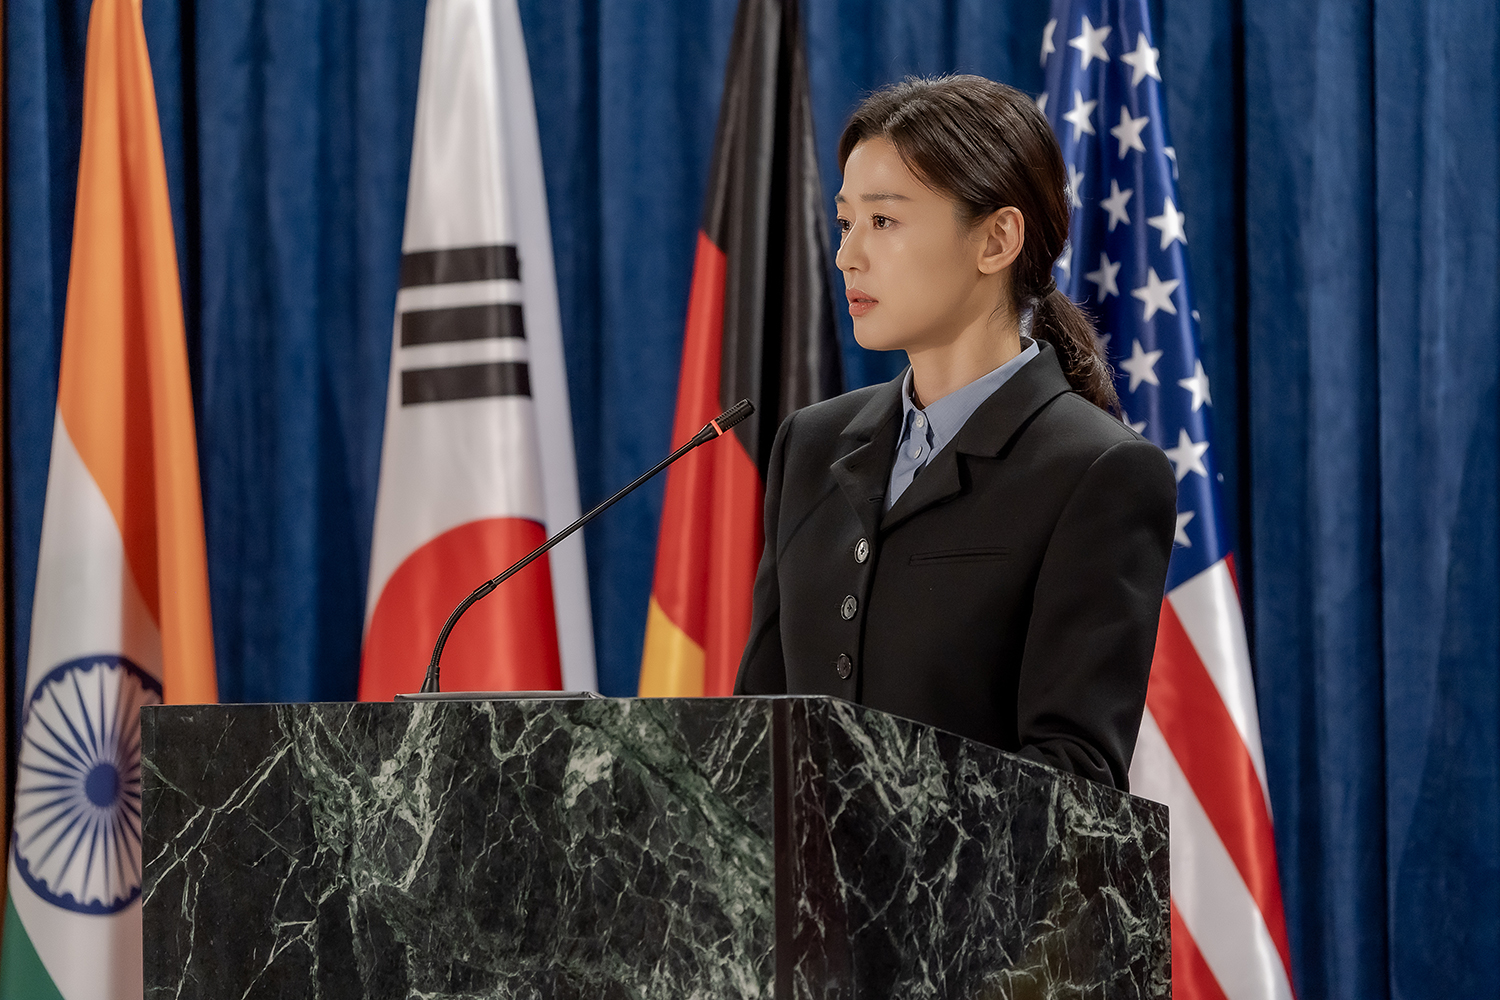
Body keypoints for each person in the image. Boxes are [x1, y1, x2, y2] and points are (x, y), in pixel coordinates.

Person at [733, 75, 1177, 791]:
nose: (847, 255)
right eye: (845, 223)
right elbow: (753, 738)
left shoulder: (1099, 471)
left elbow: (1075, 782)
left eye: (884, 221)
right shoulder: (810, 445)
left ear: (997, 239)